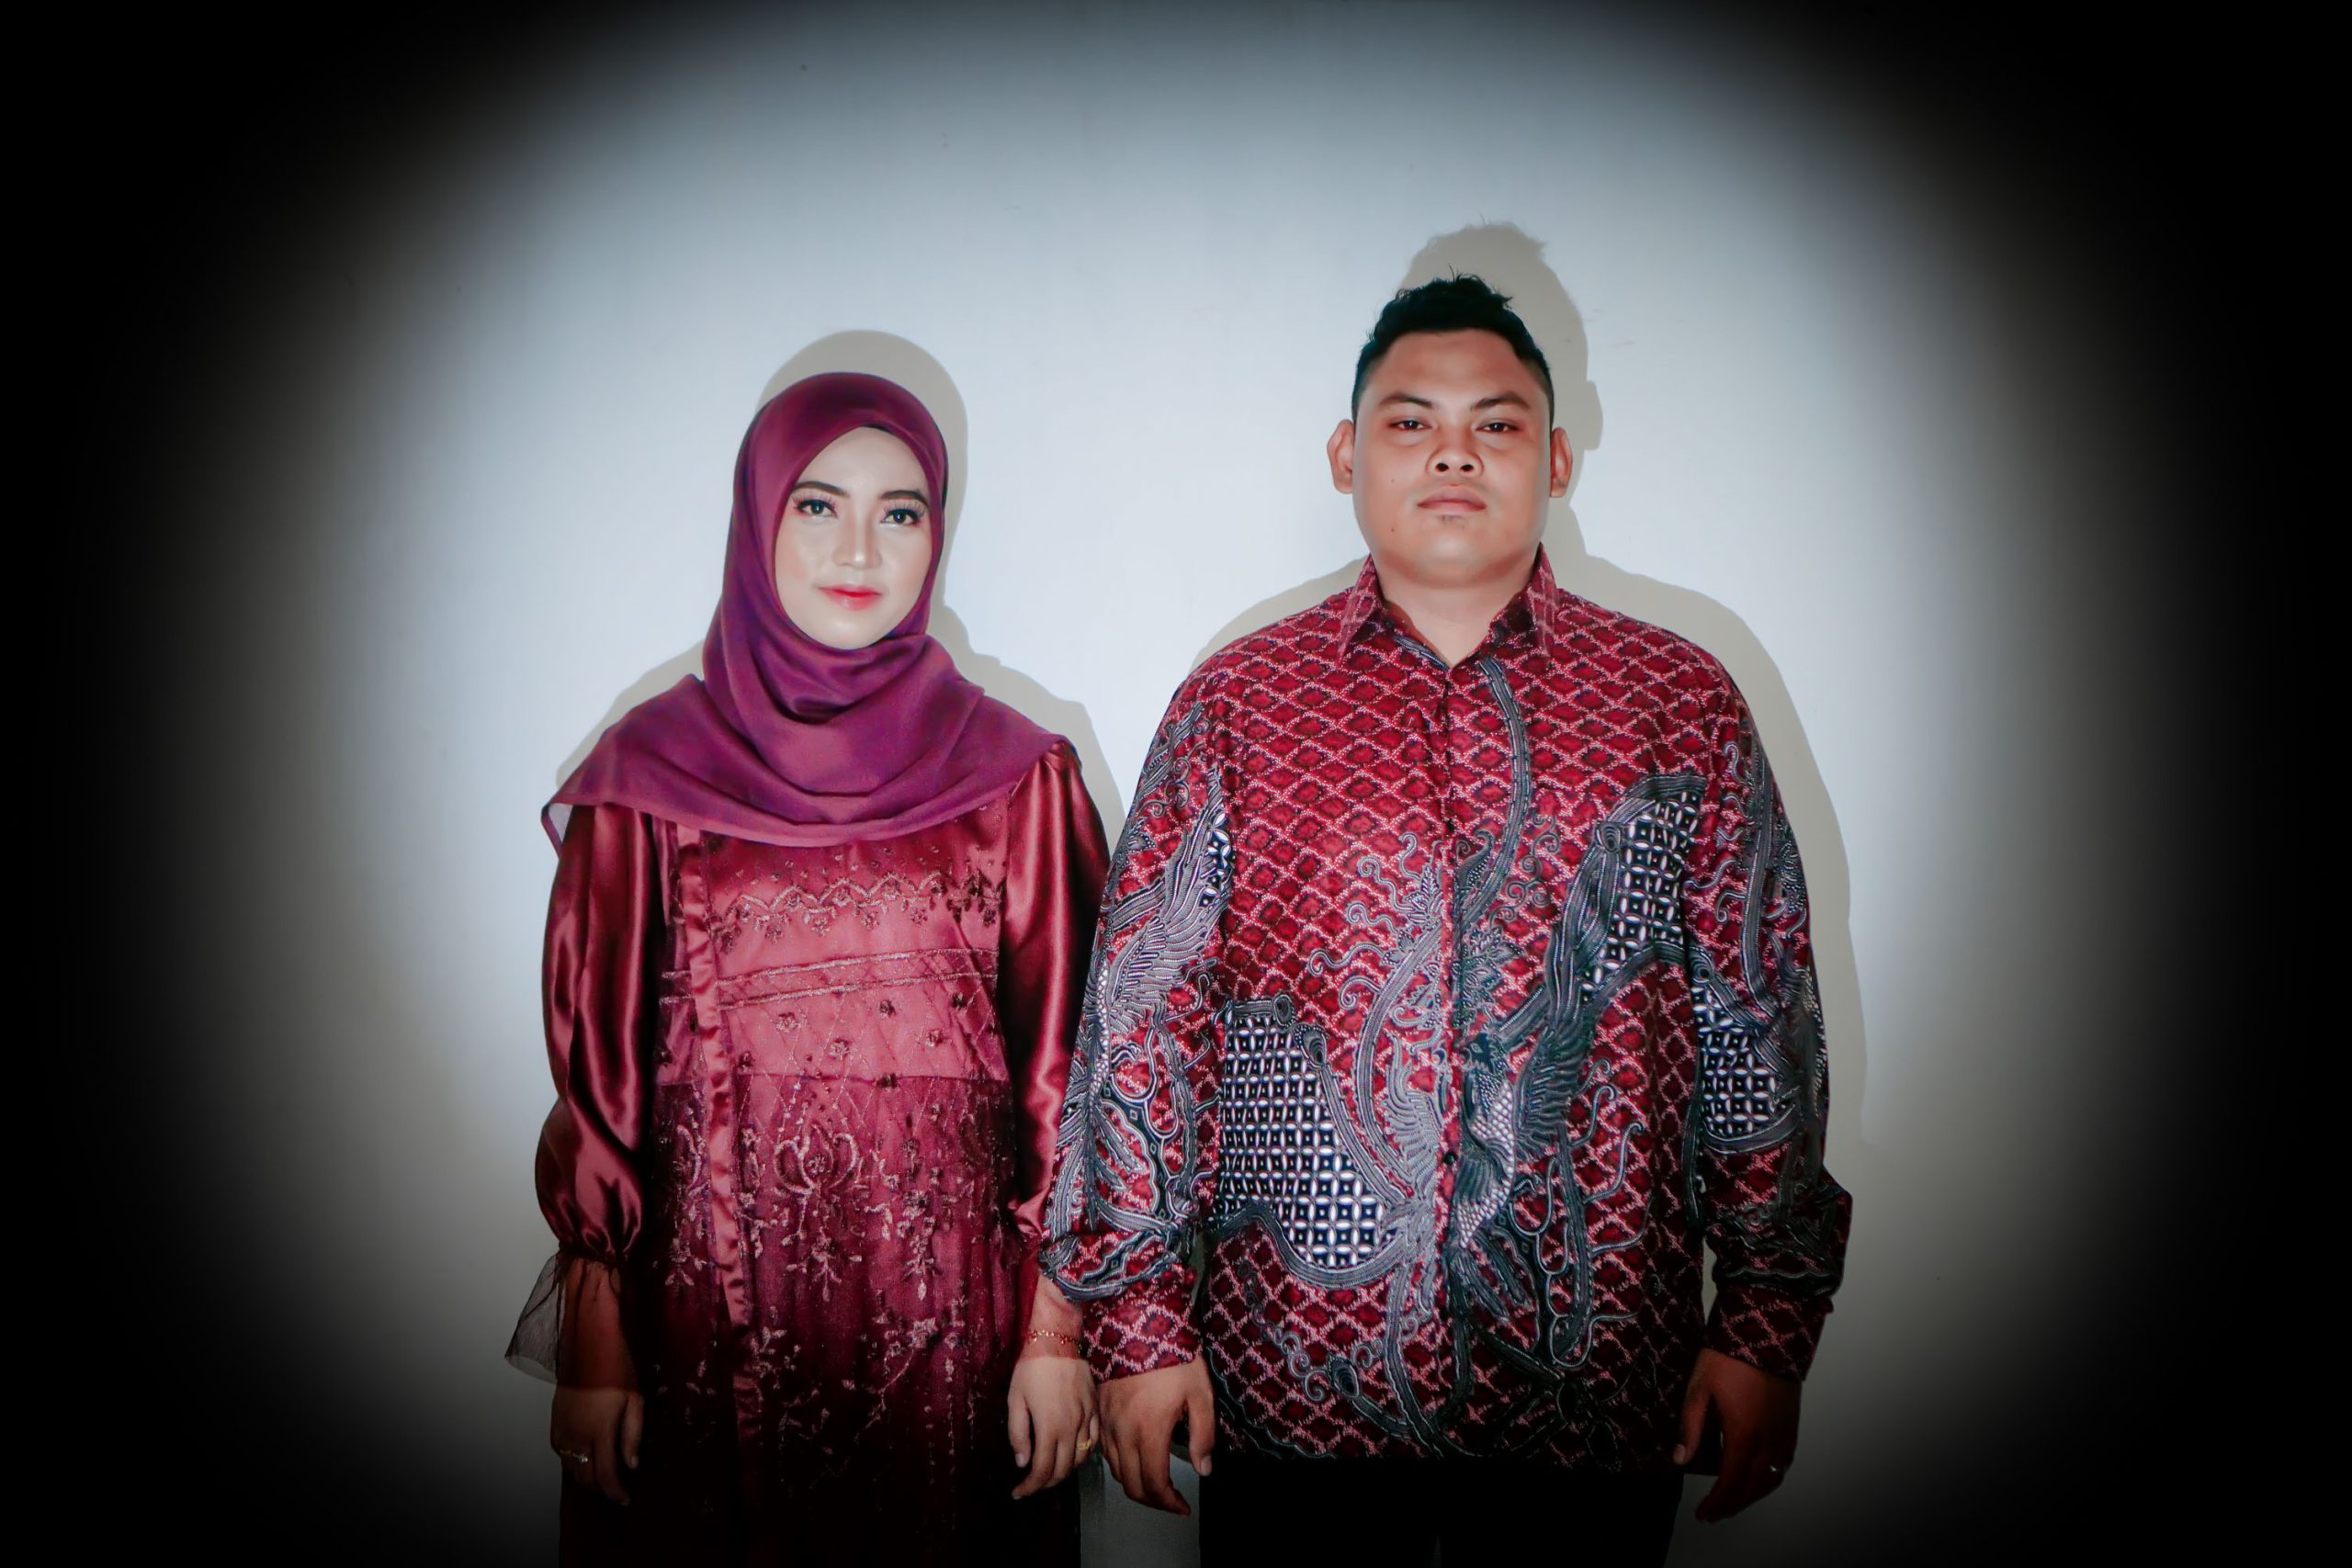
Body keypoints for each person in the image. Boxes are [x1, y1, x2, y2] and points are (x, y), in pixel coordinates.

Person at [1042, 276, 1851, 1563]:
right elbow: (1146, 1027)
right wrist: (1138, 1325)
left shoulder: (1678, 704)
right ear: (1346, 455)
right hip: (1293, 1392)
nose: (1455, 453)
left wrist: (1765, 1320)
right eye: (1412, 422)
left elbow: (1760, 1022)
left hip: (1597, 1395)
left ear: (1558, 458)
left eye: (1498, 423)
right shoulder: (1238, 707)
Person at [506, 372, 1107, 1565]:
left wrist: (1058, 1333)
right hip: (700, 1324)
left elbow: (1077, 1079)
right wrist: (596, 1333)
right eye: (818, 504)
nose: (859, 549)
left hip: (959, 1333)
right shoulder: (649, 778)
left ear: (937, 534)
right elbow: (597, 1079)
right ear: (757, 518)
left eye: (901, 512)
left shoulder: (1018, 776)